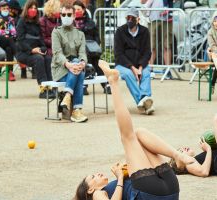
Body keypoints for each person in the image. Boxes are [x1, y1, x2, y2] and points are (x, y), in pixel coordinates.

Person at [74, 59, 186, 200]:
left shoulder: (108, 189)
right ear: (89, 189)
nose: (97, 173)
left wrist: (124, 174)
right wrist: (120, 178)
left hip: (169, 190)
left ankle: (177, 156)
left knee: (138, 134)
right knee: (127, 136)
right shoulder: (97, 193)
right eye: (92, 177)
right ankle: (113, 82)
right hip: (150, 193)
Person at [51, 3, 88, 123]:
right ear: (60, 15)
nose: (65, 16)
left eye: (68, 14)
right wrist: (68, 64)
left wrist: (82, 62)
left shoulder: (80, 34)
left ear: (74, 16)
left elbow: (82, 53)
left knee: (79, 66)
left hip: (75, 68)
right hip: (60, 69)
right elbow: (57, 54)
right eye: (63, 14)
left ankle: (67, 96)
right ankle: (77, 111)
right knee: (80, 73)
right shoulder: (56, 32)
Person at [114, 7, 154, 115]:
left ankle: (144, 100)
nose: (130, 20)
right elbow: (119, 54)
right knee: (128, 75)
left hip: (140, 64)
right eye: (128, 18)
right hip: (123, 65)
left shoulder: (145, 31)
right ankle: (142, 101)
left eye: (132, 18)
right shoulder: (120, 31)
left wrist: (140, 68)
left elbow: (147, 53)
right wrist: (132, 68)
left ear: (138, 19)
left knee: (146, 73)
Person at [16, 0, 54, 99]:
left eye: (35, 8)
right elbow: (20, 41)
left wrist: (43, 49)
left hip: (37, 51)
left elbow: (41, 40)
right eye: (31, 8)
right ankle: (43, 90)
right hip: (24, 53)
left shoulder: (37, 23)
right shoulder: (21, 22)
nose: (33, 10)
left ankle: (51, 87)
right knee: (39, 59)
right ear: (26, 9)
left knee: (48, 58)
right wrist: (32, 50)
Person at [73, 0, 111, 95]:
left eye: (79, 9)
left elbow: (97, 37)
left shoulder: (91, 23)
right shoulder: (71, 23)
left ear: (84, 10)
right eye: (75, 9)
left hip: (91, 49)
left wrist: (95, 46)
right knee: (87, 59)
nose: (77, 11)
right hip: (78, 50)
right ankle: (84, 85)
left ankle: (106, 84)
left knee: (97, 61)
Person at [0, 1, 17, 81]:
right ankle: (18, 55)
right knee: (8, 39)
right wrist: (7, 35)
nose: (6, 10)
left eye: (7, 8)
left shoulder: (11, 19)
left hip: (9, 42)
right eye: (4, 8)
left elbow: (14, 32)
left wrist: (11, 35)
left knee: (9, 49)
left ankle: (10, 72)